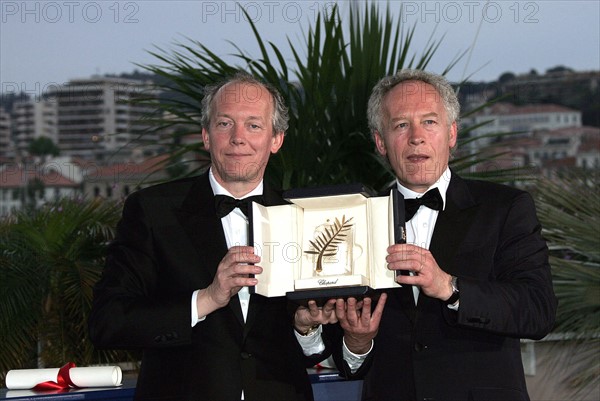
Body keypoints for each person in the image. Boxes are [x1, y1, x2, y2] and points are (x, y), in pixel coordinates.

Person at [88, 72, 333, 401]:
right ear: (206, 135)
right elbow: (108, 322)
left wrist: (307, 329)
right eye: (224, 124)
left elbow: (317, 351)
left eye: (253, 125)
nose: (238, 138)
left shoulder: (305, 216)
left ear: (276, 140)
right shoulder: (153, 210)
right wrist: (206, 299)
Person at [332, 69, 557, 401]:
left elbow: (537, 311)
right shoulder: (352, 220)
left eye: (430, 122)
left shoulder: (505, 208)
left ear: (452, 133)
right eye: (400, 125)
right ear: (380, 141)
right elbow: (349, 362)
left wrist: (450, 288)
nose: (416, 137)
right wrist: (358, 341)